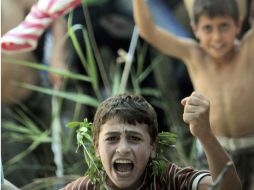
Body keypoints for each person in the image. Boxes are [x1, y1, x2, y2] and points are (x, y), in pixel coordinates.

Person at [133, 0, 254, 189]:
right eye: (207, 28)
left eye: (224, 26)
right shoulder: (194, 55)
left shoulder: (248, 51)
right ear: (195, 29)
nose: (217, 37)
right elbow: (148, 31)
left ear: (238, 25)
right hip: (213, 149)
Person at [61, 92, 241, 189]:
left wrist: (205, 134)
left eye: (134, 138)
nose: (123, 148)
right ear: (96, 148)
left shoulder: (171, 181)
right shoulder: (83, 188)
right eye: (112, 138)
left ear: (152, 147)